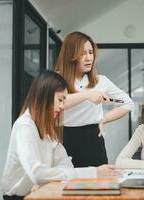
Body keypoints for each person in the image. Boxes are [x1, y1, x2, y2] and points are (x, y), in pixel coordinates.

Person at [1, 71, 119, 200]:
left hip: (39, 193)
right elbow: (37, 173)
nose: (63, 106)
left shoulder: (47, 128)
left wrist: (49, 178)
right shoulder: (25, 126)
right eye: (60, 100)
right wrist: (93, 172)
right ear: (45, 96)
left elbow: (65, 164)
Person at [55, 31, 134, 167]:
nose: (88, 58)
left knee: (98, 184)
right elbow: (53, 103)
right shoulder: (57, 79)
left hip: (93, 140)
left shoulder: (101, 81)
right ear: (70, 55)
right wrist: (87, 95)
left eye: (90, 52)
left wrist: (104, 119)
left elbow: (128, 103)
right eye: (82, 53)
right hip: (64, 139)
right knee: (65, 183)